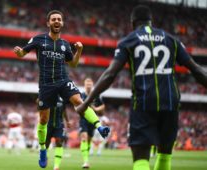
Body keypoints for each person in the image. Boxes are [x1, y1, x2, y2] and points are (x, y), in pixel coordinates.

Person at [76, 5, 207, 170]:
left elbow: (110, 74)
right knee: (165, 154)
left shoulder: (129, 41)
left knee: (141, 159)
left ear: (133, 23)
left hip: (143, 102)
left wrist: (86, 102)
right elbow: (196, 69)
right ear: (151, 22)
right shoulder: (172, 40)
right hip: (171, 101)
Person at [13, 10, 110, 168]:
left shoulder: (65, 44)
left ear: (62, 23)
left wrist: (79, 51)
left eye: (59, 19)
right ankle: (43, 149)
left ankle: (100, 127)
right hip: (46, 84)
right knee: (44, 119)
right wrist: (19, 52)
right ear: (48, 23)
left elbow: (73, 64)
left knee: (79, 100)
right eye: (53, 19)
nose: (56, 21)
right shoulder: (39, 39)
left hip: (63, 80)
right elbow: (23, 53)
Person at [79, 78, 105, 169]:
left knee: (89, 140)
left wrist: (96, 109)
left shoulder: (95, 95)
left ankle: (87, 154)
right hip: (83, 120)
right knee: (84, 138)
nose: (89, 85)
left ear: (92, 85)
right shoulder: (81, 95)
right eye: (87, 83)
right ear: (84, 85)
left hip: (93, 121)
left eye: (90, 83)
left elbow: (102, 106)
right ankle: (85, 161)